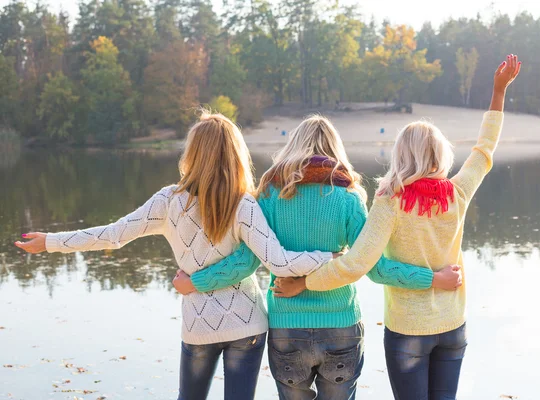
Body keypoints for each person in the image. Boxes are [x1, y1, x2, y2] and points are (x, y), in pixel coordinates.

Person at [13, 112, 335, 400]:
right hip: (246, 325)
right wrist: (330, 256)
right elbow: (278, 262)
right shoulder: (244, 204)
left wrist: (51, 242)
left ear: (192, 153)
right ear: (235, 154)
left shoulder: (169, 201)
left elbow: (113, 235)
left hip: (198, 326)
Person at [272, 54, 521, 400]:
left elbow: (357, 265)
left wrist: (305, 282)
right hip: (453, 327)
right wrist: (499, 90)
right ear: (441, 155)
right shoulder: (458, 193)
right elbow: (484, 150)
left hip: (408, 331)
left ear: (401, 155)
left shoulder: (390, 201)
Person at [172, 116, 462, 400]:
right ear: (335, 150)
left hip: (287, 327)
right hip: (341, 325)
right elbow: (374, 268)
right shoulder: (348, 199)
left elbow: (246, 261)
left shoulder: (269, 197)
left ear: (293, 148)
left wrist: (197, 281)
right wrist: (433, 278)